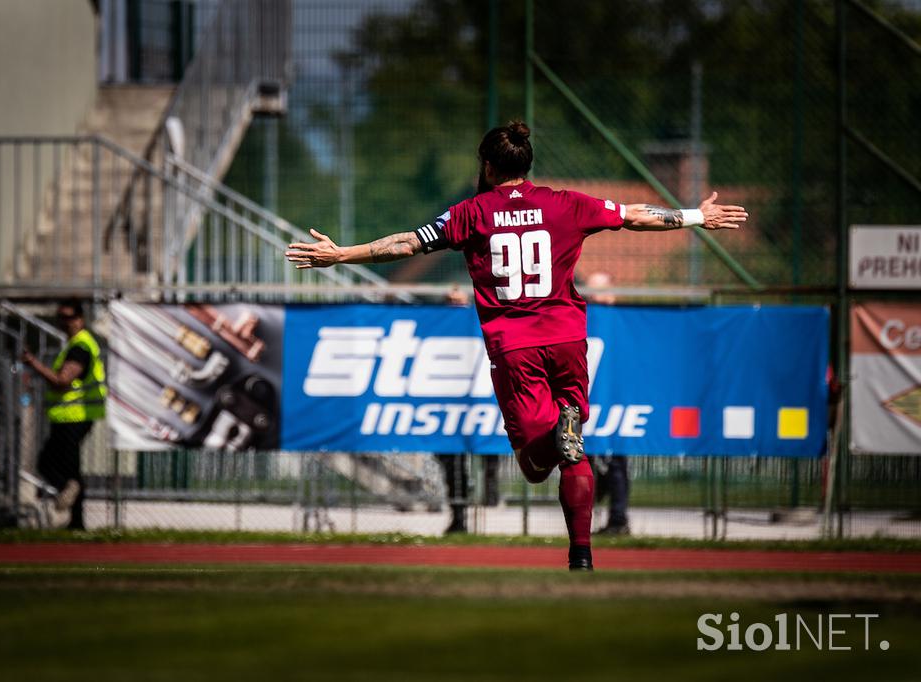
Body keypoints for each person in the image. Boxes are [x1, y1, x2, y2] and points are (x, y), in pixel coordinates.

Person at [286, 121, 747, 569]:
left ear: (487, 166)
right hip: (568, 339)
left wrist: (342, 253)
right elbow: (633, 215)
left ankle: (556, 441)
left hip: (515, 348)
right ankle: (581, 556)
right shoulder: (566, 203)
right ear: (527, 164)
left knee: (533, 464)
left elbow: (407, 244)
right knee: (575, 453)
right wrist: (697, 216)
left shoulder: (471, 213)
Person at [22, 300, 107, 529]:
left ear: (80, 319)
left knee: (53, 465)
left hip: (75, 416)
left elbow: (62, 381)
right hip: (67, 416)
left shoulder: (80, 347)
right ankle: (76, 521)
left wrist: (34, 364)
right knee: (64, 469)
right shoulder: (74, 344)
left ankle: (72, 507)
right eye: (60, 317)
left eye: (69, 317)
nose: (64, 322)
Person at [581, 271, 630, 535]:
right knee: (582, 461)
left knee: (616, 463)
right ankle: (583, 521)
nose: (591, 296)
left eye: (597, 290)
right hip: (586, 401)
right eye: (588, 291)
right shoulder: (580, 317)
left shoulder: (624, 322)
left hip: (616, 402)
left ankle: (619, 519)